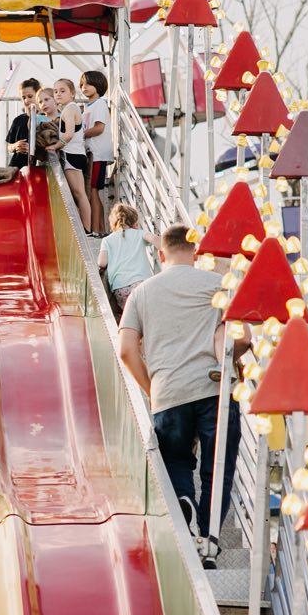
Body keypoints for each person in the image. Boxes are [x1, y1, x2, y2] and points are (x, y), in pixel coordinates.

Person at [118, 224, 250, 560]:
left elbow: (126, 350)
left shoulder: (141, 293)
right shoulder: (219, 284)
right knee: (217, 468)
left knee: (176, 460)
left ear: (161, 255)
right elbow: (245, 338)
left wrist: (151, 389)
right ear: (197, 253)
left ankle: (184, 508)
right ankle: (209, 537)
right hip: (214, 389)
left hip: (168, 393)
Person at [98, 203, 158, 316]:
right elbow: (157, 241)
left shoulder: (107, 240)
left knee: (132, 315)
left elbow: (102, 263)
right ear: (134, 221)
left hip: (121, 288)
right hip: (143, 284)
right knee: (147, 314)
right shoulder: (140, 234)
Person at [53, 77, 92, 233]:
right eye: (56, 91)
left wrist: (54, 146)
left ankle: (87, 229)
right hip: (76, 154)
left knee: (79, 194)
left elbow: (68, 134)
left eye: (62, 91)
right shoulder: (70, 108)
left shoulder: (69, 109)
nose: (58, 94)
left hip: (72, 155)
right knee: (78, 193)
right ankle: (85, 228)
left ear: (72, 93)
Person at [80, 69, 113, 235]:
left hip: (98, 154)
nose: (84, 87)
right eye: (82, 85)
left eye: (88, 84)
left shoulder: (100, 104)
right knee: (92, 191)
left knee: (93, 191)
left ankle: (98, 229)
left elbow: (99, 128)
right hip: (92, 154)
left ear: (98, 85)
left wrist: (79, 134)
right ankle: (97, 228)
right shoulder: (88, 106)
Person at [5, 77, 41, 168]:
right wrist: (15, 146)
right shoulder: (18, 120)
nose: (26, 100)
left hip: (39, 169)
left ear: (38, 95)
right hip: (16, 168)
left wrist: (32, 149)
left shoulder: (46, 119)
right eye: (23, 97)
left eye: (30, 96)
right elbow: (9, 146)